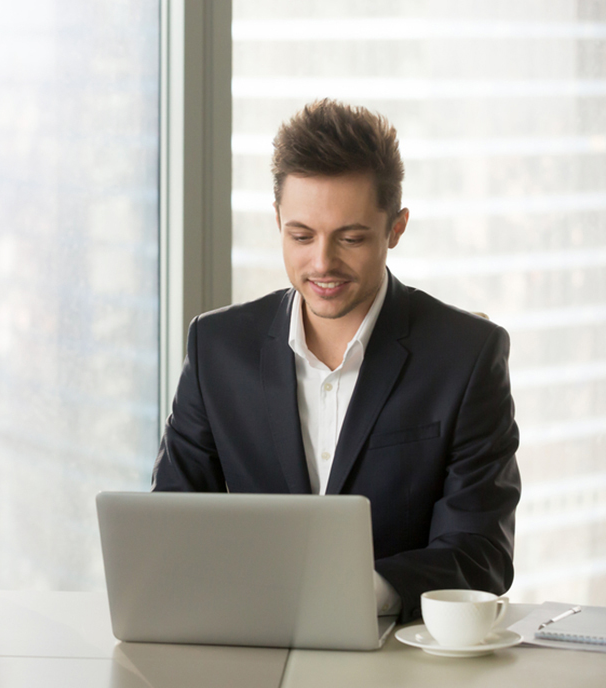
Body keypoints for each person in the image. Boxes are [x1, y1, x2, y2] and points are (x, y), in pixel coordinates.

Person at [152, 99, 520, 622]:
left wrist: (362, 592)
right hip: (249, 644)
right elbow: (172, 524)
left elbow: (482, 553)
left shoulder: (467, 355)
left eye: (351, 238)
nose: (322, 262)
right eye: (300, 236)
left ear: (396, 228)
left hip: (399, 661)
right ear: (277, 220)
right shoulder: (216, 347)